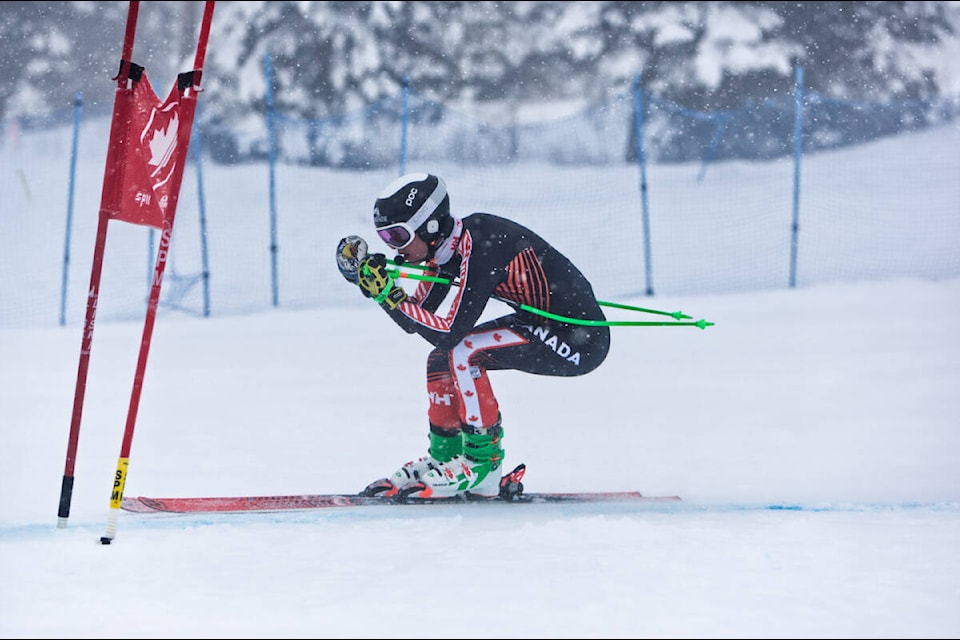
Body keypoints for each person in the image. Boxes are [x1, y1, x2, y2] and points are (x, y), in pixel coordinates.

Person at [337, 172, 611, 501]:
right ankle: (446, 455)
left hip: (579, 339)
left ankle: (484, 466)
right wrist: (376, 287)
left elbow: (450, 332)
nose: (392, 246)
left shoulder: (480, 250)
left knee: (464, 352)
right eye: (384, 237)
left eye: (398, 235)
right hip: (542, 323)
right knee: (441, 360)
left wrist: (388, 297)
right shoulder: (446, 251)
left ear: (430, 226)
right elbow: (418, 315)